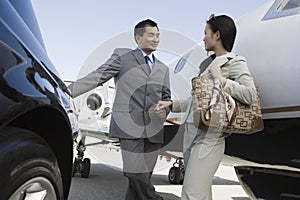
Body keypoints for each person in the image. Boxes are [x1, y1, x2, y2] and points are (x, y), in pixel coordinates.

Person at [156, 14, 256, 199]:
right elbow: (197, 102)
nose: (203, 38)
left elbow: (249, 95)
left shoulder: (234, 62)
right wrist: (172, 104)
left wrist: (222, 80)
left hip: (209, 137)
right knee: (199, 193)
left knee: (191, 193)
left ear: (217, 35)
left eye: (206, 33)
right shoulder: (206, 65)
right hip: (190, 135)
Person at [71, 19, 170, 200]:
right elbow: (97, 77)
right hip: (129, 127)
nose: (155, 39)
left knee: (140, 181)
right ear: (137, 38)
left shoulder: (163, 68)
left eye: (158, 35)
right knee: (135, 174)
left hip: (154, 129)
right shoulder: (123, 57)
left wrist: (165, 110)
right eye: (150, 35)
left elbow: (166, 97)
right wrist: (65, 91)